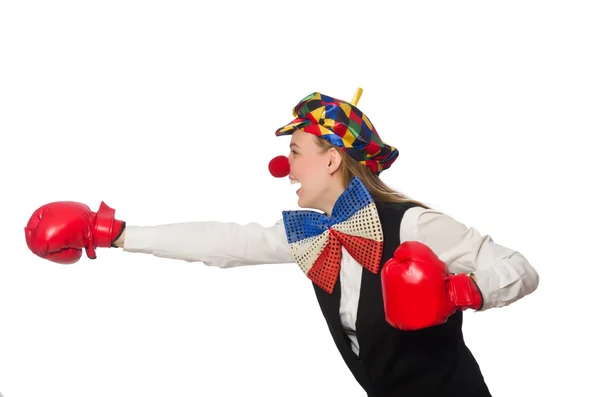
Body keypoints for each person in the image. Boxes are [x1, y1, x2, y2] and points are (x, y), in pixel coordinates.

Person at [24, 89, 539, 397]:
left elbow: (519, 267)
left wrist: (463, 291)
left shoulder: (412, 225)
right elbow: (227, 242)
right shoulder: (311, 239)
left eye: (295, 151)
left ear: (332, 159)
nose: (284, 167)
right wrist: (116, 234)